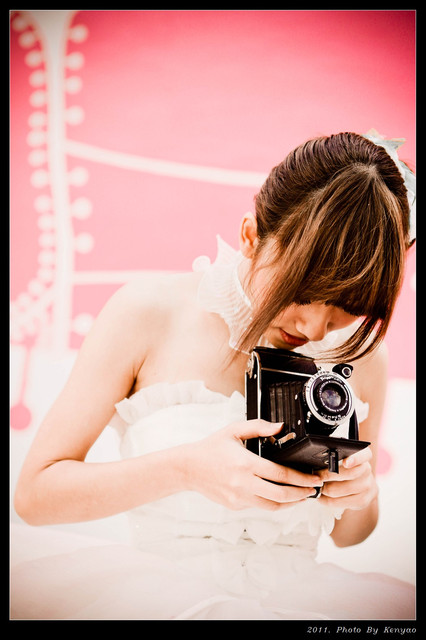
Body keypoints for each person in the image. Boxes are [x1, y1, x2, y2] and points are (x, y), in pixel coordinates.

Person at [12, 130, 416, 620]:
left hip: (303, 599)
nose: (314, 328)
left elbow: (351, 535)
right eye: (302, 292)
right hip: (153, 599)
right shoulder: (147, 312)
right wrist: (186, 469)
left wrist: (360, 491)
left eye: (346, 308)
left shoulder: (363, 357)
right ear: (250, 236)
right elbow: (35, 496)